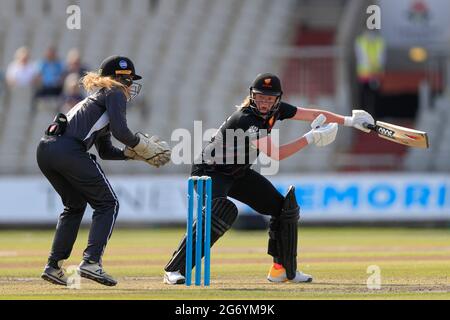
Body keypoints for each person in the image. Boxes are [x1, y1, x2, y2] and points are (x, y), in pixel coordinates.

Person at [163, 73, 374, 284]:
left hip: (238, 172)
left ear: (277, 99)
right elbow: (276, 154)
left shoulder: (278, 110)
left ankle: (282, 270)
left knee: (284, 209)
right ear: (252, 96)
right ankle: (174, 270)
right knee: (220, 212)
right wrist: (310, 138)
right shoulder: (247, 119)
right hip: (209, 171)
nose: (264, 103)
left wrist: (350, 121)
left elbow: (313, 115)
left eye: (269, 98)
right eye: (260, 97)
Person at [37, 55, 171, 287]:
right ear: (120, 79)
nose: (130, 85)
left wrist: (130, 155)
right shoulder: (115, 92)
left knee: (75, 206)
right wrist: (141, 145)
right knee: (108, 203)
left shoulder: (98, 98)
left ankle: (53, 265)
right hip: (69, 150)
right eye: (128, 79)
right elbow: (122, 132)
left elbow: (106, 150)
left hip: (46, 149)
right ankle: (91, 262)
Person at [354, 30, 386, 116]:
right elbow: (360, 56)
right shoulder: (360, 41)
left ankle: (376, 115)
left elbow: (381, 57)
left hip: (375, 74)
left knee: (376, 97)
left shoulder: (379, 41)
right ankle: (364, 116)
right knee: (364, 97)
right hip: (365, 74)